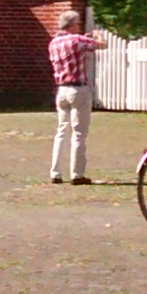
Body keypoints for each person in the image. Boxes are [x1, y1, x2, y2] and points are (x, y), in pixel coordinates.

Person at [47, 10, 100, 185]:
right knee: (79, 133)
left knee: (61, 131)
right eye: (77, 23)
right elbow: (101, 44)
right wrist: (97, 35)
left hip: (61, 90)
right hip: (78, 89)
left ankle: (55, 172)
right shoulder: (77, 40)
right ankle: (77, 174)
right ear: (72, 25)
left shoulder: (54, 43)